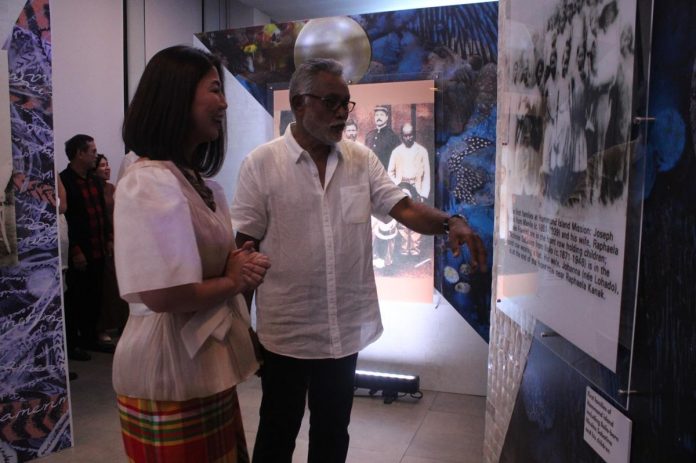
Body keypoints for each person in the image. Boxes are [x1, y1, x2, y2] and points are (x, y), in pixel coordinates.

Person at [231, 58, 486, 463]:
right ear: (299, 104)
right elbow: (243, 252)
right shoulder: (261, 164)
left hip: (343, 329)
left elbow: (404, 209)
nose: (340, 112)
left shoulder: (360, 160)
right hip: (287, 333)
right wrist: (241, 327)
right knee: (277, 430)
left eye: (345, 104)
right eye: (330, 101)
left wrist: (450, 222)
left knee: (333, 433)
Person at [112, 45, 271, 463]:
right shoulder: (149, 181)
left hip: (201, 359)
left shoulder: (198, 182)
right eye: (215, 90)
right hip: (167, 363)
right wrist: (234, 279)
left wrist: (237, 263)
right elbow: (164, 295)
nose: (223, 103)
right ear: (177, 95)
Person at [60, 134, 112, 360]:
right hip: (80, 252)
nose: (95, 155)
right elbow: (68, 220)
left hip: (98, 247)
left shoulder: (93, 180)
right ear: (79, 153)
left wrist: (109, 238)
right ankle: (73, 344)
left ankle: (90, 337)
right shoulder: (65, 181)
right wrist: (75, 250)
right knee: (76, 298)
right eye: (92, 151)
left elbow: (102, 212)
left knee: (95, 295)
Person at [93, 154, 128, 340]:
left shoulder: (112, 188)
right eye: (102, 165)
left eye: (108, 164)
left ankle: (122, 324)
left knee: (118, 284)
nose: (107, 168)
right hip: (103, 242)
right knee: (105, 286)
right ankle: (102, 327)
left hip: (117, 239)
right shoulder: (94, 189)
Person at [387, 122, 431, 200]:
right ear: (401, 136)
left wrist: (423, 195)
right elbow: (390, 173)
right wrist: (398, 185)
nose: (408, 138)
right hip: (401, 190)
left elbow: (426, 175)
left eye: (410, 135)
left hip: (418, 190)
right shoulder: (396, 152)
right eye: (405, 136)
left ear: (414, 134)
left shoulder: (422, 151)